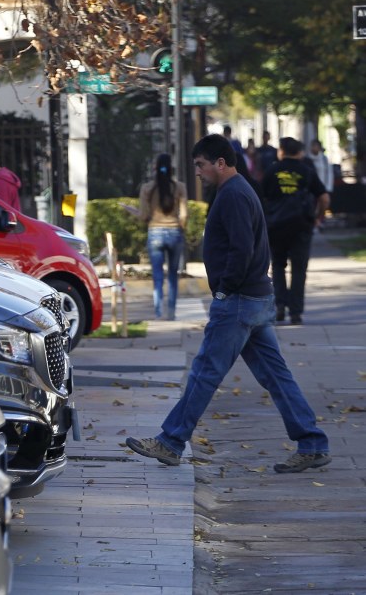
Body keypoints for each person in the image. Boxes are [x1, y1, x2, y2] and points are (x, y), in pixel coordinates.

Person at [127, 134, 331, 474]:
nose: (198, 172)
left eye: (201, 165)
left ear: (220, 163)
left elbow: (241, 248)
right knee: (276, 376)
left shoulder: (233, 195)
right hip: (255, 298)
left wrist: (224, 289)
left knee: (205, 372)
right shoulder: (238, 190)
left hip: (239, 300)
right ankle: (312, 443)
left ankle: (171, 440)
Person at [262, 137, 330, 324]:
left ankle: (279, 306)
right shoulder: (307, 171)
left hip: (276, 226)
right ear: (299, 152)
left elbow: (261, 197)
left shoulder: (272, 171)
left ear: (281, 151)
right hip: (301, 226)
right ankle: (296, 312)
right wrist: (317, 217)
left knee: (277, 266)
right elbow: (324, 198)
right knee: (299, 269)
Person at [138, 153, 188, 320]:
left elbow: (144, 216)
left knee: (158, 276)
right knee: (173, 276)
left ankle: (159, 313)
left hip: (155, 233)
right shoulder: (179, 187)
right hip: (175, 233)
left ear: (155, 168)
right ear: (171, 168)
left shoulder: (147, 189)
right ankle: (171, 313)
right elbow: (184, 216)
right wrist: (181, 229)